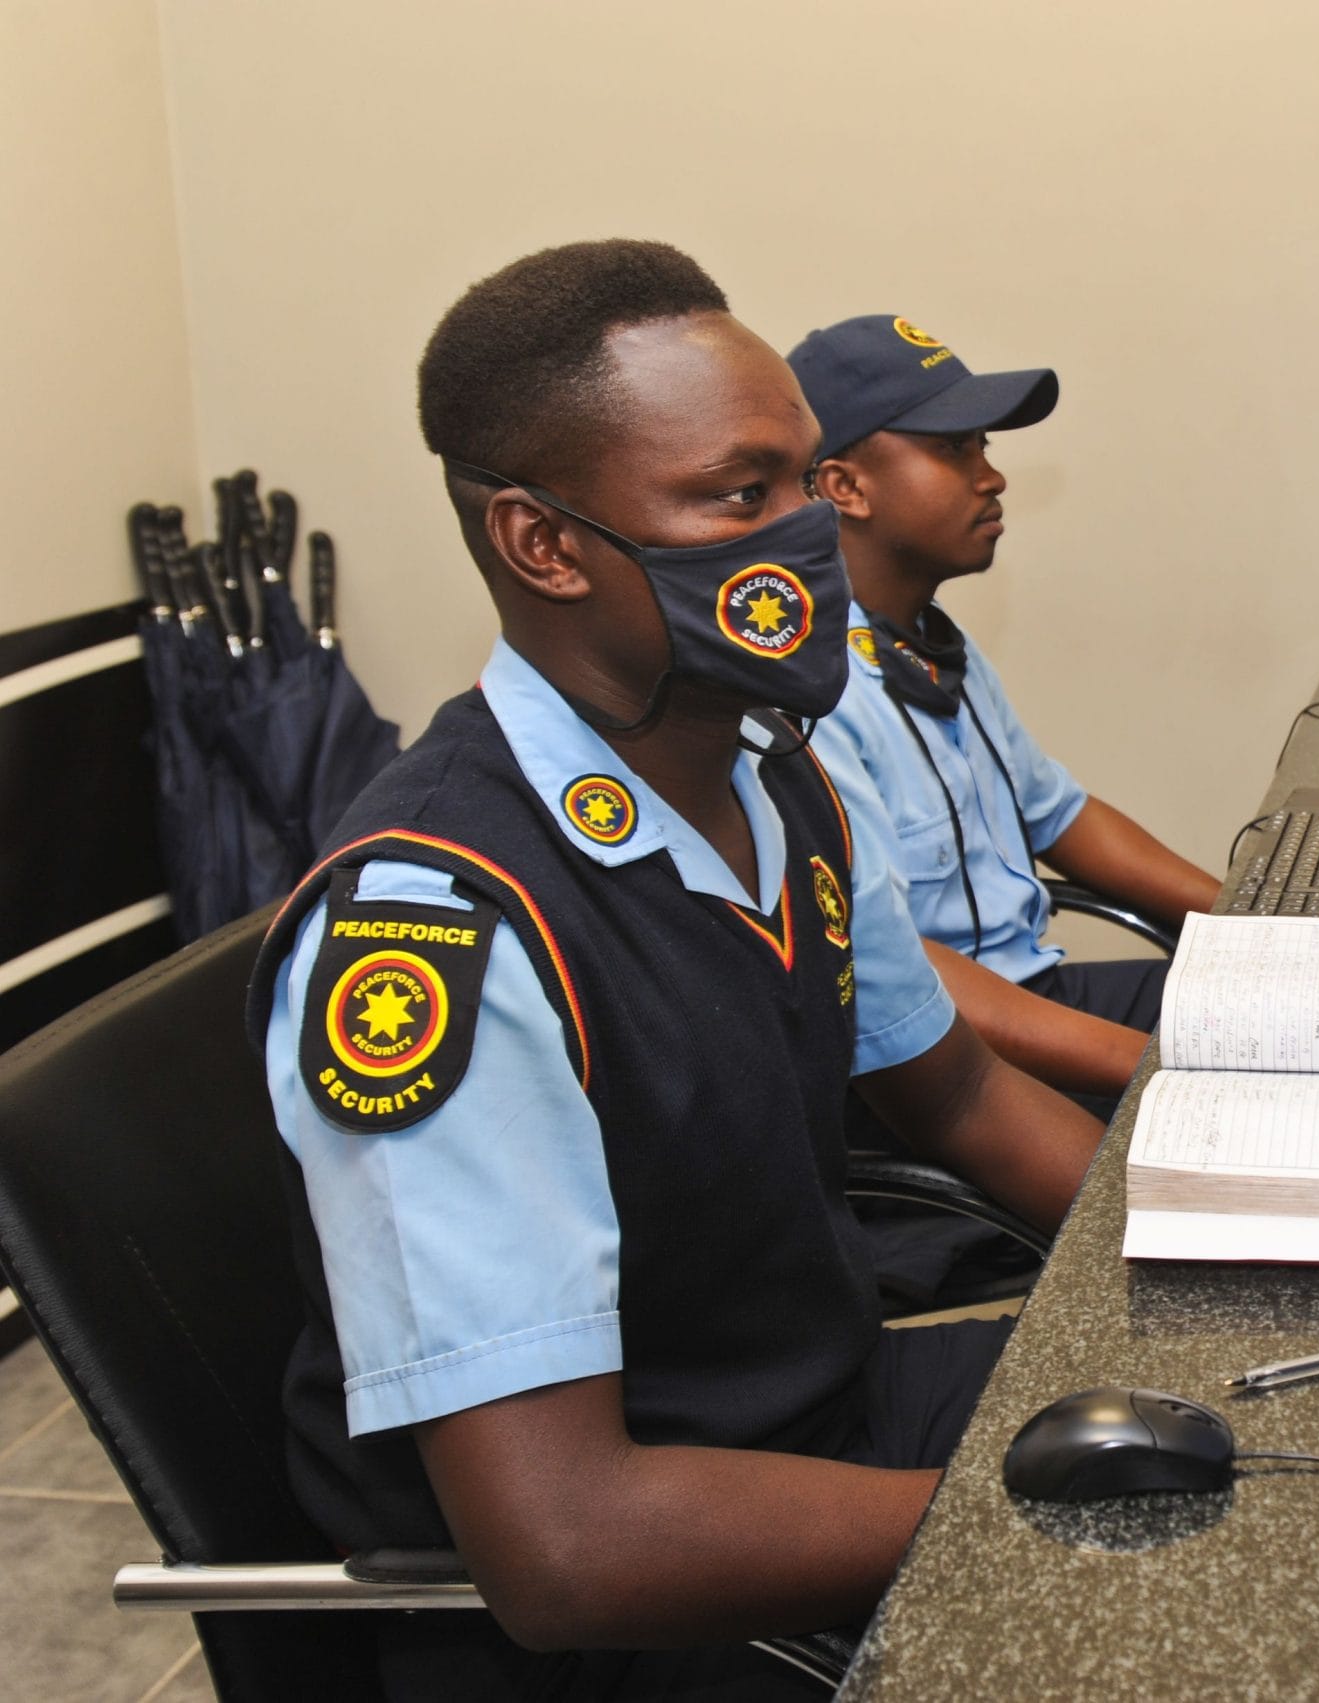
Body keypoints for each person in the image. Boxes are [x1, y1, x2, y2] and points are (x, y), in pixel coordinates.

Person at [248, 241, 1103, 1700]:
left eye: (809, 479)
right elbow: (570, 1540)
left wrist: (1204, 1257)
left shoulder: (779, 782)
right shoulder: (439, 927)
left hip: (825, 1418)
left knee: (1299, 1426)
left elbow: (961, 1096)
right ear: (546, 542)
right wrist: (1045, 1516)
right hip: (654, 1584)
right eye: (739, 494)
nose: (807, 530)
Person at [787, 315, 1222, 1111]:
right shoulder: (811, 693)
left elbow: (1061, 816)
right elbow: (900, 971)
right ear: (846, 486)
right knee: (1261, 1082)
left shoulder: (926, 641)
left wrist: (1254, 927)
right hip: (941, 1060)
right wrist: (1166, 1065)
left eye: (984, 447)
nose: (992, 477)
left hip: (1035, 998)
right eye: (954, 450)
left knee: (1308, 1020)